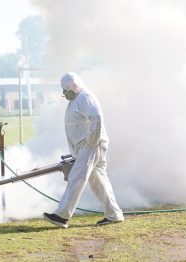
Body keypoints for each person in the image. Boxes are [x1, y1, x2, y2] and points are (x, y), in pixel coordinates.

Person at [43, 72, 124, 228]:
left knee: (76, 177)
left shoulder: (85, 97)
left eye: (65, 90)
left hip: (91, 145)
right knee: (98, 181)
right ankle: (114, 214)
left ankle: (62, 216)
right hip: (89, 145)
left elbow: (97, 118)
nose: (64, 93)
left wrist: (91, 141)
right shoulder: (78, 99)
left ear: (72, 86)